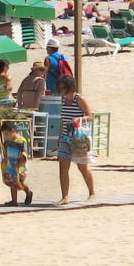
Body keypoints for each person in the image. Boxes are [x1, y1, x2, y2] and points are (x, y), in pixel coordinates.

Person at [55, 74, 96, 203]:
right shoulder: (62, 100)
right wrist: (60, 135)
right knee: (63, 166)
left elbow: (90, 116)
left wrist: (79, 119)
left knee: (82, 167)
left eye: (63, 88)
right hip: (66, 136)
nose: (61, 91)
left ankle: (92, 192)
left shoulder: (78, 99)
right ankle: (65, 197)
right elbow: (63, 119)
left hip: (78, 137)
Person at [0, 120, 32, 205]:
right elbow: (5, 153)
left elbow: (24, 154)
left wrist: (20, 164)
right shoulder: (7, 142)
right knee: (11, 182)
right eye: (4, 135)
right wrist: (5, 160)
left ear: (13, 131)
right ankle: (14, 201)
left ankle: (28, 192)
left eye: (7, 134)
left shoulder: (21, 141)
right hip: (10, 164)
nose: (6, 137)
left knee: (19, 182)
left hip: (21, 165)